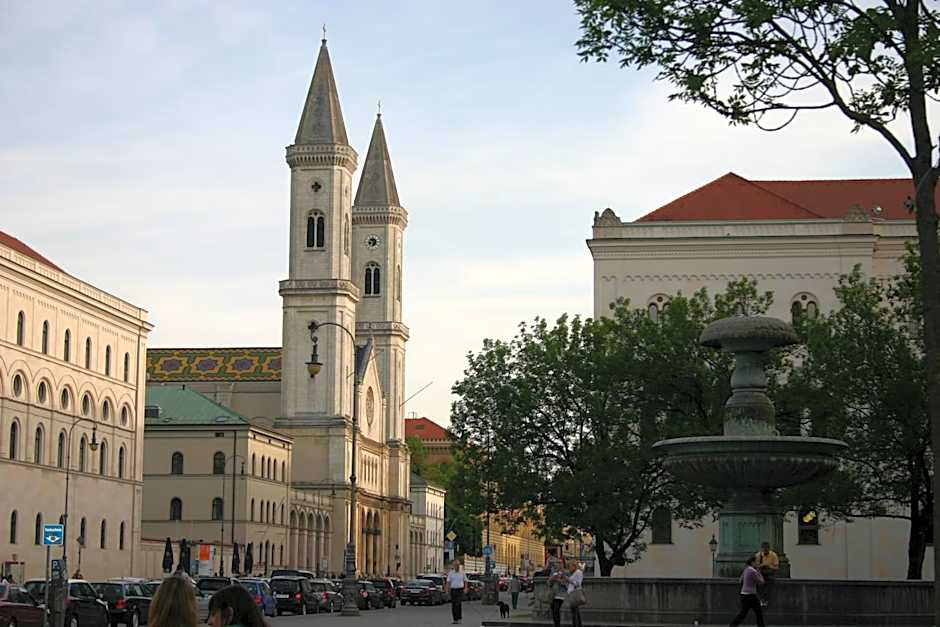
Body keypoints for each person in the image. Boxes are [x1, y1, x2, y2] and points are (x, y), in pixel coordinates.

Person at [729, 557, 765, 627]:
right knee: (758, 613)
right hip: (751, 595)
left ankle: (733, 625)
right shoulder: (753, 571)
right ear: (752, 562)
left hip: (744, 594)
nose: (758, 564)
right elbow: (761, 582)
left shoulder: (746, 570)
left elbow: (740, 580)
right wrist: (759, 572)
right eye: (756, 562)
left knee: (743, 613)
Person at [754, 541, 778, 607]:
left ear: (769, 549)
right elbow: (755, 566)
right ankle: (761, 599)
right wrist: (762, 565)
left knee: (769, 583)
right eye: (764, 550)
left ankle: (765, 599)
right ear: (761, 549)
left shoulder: (773, 555)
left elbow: (776, 567)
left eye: (766, 550)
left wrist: (769, 566)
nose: (765, 551)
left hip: (770, 572)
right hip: (761, 572)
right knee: (758, 584)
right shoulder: (758, 555)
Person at [444, 560, 467, 624]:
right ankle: (455, 619)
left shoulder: (462, 573)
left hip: (460, 590)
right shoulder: (451, 573)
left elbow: (465, 581)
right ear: (453, 566)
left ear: (459, 566)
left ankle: (459, 618)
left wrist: (465, 588)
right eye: (455, 565)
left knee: (458, 603)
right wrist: (446, 589)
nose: (456, 567)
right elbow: (448, 582)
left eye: (457, 565)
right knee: (454, 604)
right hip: (453, 590)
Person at [548, 562, 567, 627]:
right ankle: (556, 623)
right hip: (553, 594)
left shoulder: (565, 572)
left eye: (559, 563)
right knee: (553, 610)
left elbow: (566, 584)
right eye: (557, 563)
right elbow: (548, 583)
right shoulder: (553, 572)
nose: (557, 565)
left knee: (556, 609)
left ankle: (557, 624)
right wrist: (551, 579)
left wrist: (559, 580)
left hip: (560, 595)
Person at [565, 561, 584, 627]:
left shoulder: (578, 572)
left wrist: (569, 580)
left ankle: (576, 625)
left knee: (574, 612)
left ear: (574, 566)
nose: (569, 568)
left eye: (570, 567)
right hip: (572, 594)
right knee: (575, 612)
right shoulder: (574, 573)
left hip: (574, 594)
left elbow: (578, 583)